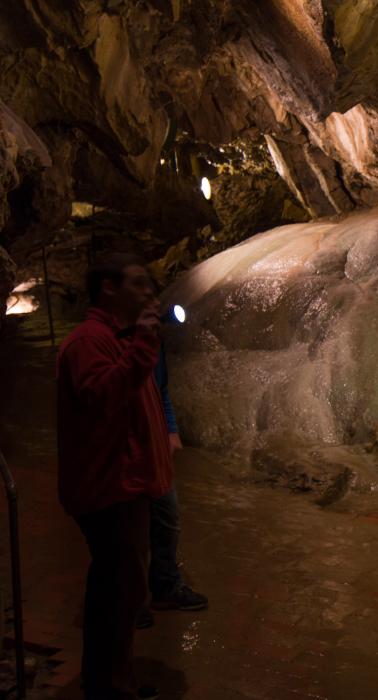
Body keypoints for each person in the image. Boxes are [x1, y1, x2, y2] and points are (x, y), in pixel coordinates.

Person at [56, 253, 171, 699]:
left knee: (122, 589)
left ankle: (113, 679)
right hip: (109, 488)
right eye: (138, 283)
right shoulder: (88, 341)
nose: (148, 292)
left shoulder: (114, 338)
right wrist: (144, 344)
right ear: (108, 288)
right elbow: (102, 396)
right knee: (117, 591)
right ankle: (107, 686)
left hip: (125, 484)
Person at [135, 335, 208, 631]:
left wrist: (171, 429)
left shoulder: (153, 341)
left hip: (154, 448)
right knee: (131, 530)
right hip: (130, 450)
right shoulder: (107, 341)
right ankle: (128, 599)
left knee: (167, 518)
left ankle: (165, 585)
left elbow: (160, 389)